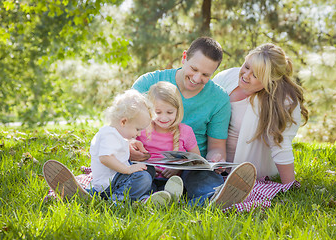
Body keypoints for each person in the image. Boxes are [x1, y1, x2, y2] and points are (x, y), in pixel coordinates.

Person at [131, 36, 256, 207]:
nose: (197, 79)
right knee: (134, 174)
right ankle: (148, 197)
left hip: (189, 169)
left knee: (204, 177)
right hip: (146, 162)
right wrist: (129, 145)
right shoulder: (149, 82)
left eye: (205, 75)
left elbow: (216, 146)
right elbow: (123, 124)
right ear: (184, 57)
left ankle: (213, 198)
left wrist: (215, 159)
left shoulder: (218, 99)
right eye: (194, 69)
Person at [43, 89, 183, 205]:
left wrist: (129, 143)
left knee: (148, 170)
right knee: (142, 177)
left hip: (116, 179)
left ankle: (146, 198)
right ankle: (117, 201)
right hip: (107, 185)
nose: (138, 133)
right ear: (123, 122)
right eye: (137, 129)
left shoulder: (116, 134)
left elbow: (117, 151)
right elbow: (105, 158)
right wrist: (128, 169)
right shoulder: (108, 134)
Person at [212, 43, 309, 184]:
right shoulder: (228, 77)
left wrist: (290, 185)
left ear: (270, 81)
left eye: (255, 75)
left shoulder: (280, 102)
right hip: (212, 160)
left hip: (244, 171)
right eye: (246, 66)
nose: (245, 75)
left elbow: (280, 144)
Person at [136, 81, 201, 191]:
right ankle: (151, 196)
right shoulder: (142, 129)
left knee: (196, 175)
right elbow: (130, 154)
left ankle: (170, 194)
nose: (164, 118)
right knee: (143, 177)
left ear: (177, 110)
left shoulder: (185, 131)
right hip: (148, 177)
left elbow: (197, 160)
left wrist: (178, 168)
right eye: (158, 112)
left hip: (175, 180)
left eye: (170, 112)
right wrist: (148, 167)